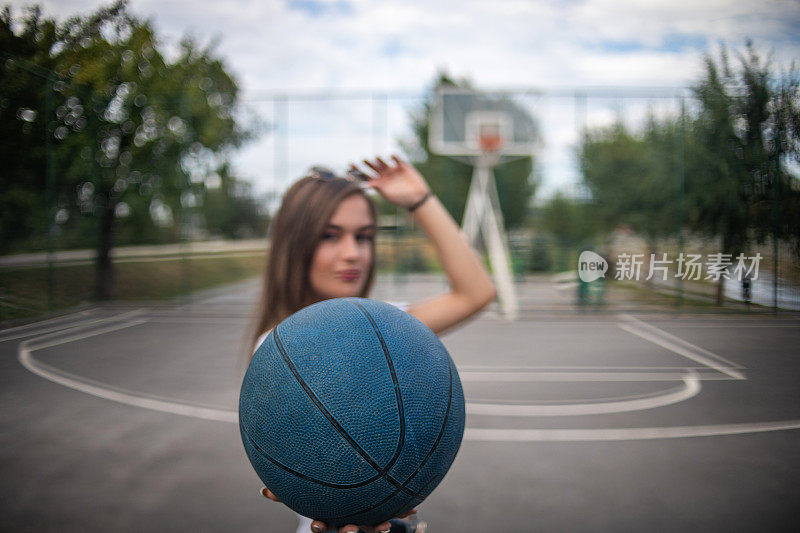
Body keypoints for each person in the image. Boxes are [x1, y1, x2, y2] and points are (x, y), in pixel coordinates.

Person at [245, 155, 496, 533]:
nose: (353, 253)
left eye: (363, 236)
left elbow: (476, 292)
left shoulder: (386, 328)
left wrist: (420, 200)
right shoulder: (277, 349)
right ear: (295, 244)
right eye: (330, 236)